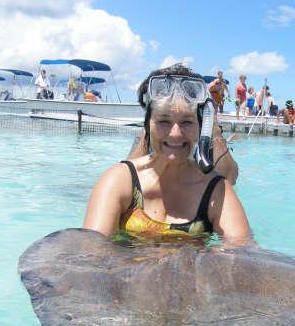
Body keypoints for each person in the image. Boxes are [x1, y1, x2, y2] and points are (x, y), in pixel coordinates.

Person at [83, 64, 251, 244]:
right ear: (148, 124)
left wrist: (212, 125)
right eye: (163, 121)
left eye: (187, 122)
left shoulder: (216, 190)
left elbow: (243, 253)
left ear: (201, 126)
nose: (175, 134)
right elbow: (92, 253)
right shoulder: (119, 179)